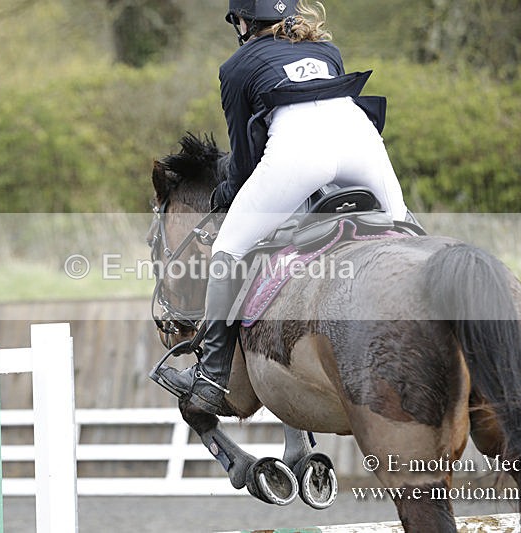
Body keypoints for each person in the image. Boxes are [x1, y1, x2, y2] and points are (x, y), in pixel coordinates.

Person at [154, 0, 411, 414]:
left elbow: (243, 157)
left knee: (227, 251)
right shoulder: (327, 51)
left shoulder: (235, 67)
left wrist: (225, 196)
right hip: (362, 143)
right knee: (405, 230)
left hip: (299, 154)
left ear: (242, 21)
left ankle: (212, 376)